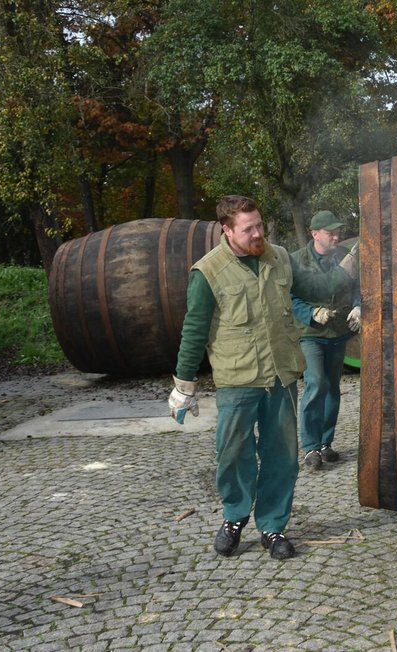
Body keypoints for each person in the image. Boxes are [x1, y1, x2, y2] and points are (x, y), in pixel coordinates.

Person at [168, 195, 305, 561]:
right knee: (233, 454)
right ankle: (234, 517)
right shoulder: (208, 272)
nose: (258, 233)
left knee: (282, 455)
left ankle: (273, 525)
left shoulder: (278, 258)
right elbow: (194, 329)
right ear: (227, 230)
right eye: (249, 229)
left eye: (260, 225)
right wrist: (184, 385)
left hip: (281, 374)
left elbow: (307, 293)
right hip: (236, 378)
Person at [289, 210, 360, 471]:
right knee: (316, 383)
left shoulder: (344, 258)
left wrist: (357, 306)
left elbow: (357, 288)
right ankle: (310, 447)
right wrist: (311, 312)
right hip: (311, 335)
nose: (336, 236)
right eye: (330, 232)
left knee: (332, 388)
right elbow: (289, 297)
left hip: (338, 334)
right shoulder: (297, 262)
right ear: (314, 233)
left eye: (338, 231)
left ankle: (325, 444)